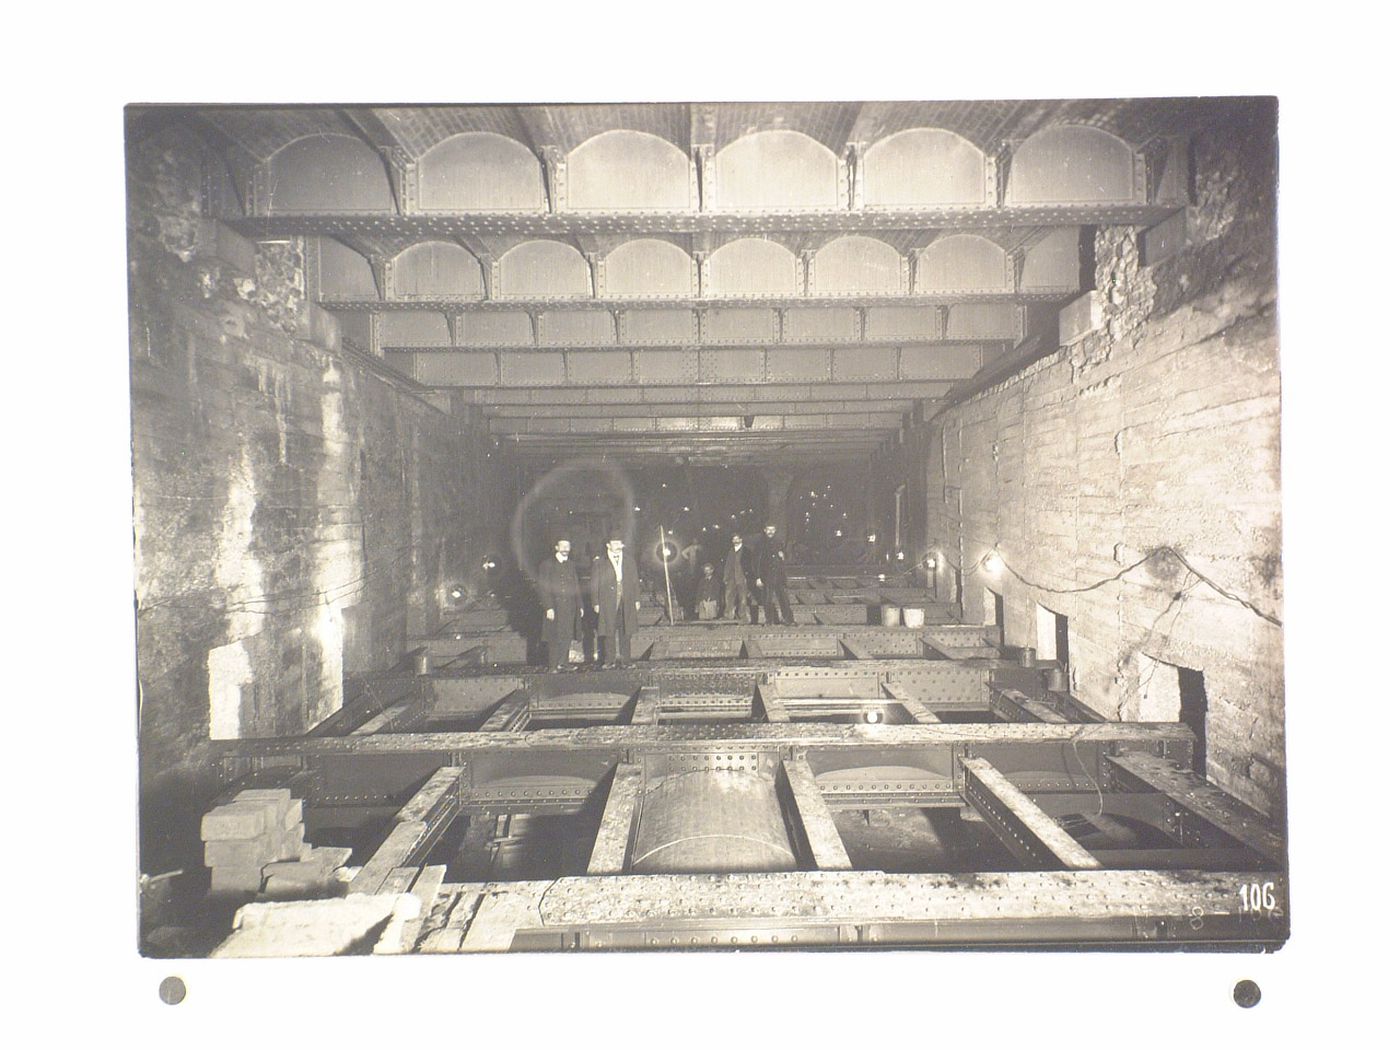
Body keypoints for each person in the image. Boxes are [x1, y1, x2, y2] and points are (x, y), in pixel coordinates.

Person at [591, 537, 642, 667]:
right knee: (609, 631)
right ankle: (609, 661)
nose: (618, 545)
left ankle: (626, 661)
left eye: (619, 543)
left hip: (626, 600)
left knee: (626, 631)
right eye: (614, 543)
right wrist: (595, 602)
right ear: (608, 545)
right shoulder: (600, 562)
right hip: (607, 601)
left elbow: (635, 581)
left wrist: (636, 599)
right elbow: (594, 584)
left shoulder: (629, 561)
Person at [536, 538, 583, 670]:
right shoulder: (546, 565)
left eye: (567, 546)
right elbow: (543, 588)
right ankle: (553, 666)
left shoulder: (571, 565)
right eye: (562, 546)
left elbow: (576, 586)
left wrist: (580, 605)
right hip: (554, 607)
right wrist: (548, 607)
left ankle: (563, 663)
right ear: (556, 548)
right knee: (554, 636)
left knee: (567, 635)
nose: (565, 549)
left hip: (569, 606)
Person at [754, 523, 795, 626]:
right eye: (768, 529)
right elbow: (756, 561)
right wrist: (758, 577)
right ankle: (769, 621)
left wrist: (783, 555)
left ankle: (788, 619)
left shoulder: (779, 542)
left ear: (775, 530)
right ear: (765, 530)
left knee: (783, 598)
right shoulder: (760, 543)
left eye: (772, 529)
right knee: (767, 599)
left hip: (779, 576)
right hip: (766, 576)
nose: (770, 531)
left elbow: (786, 556)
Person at [722, 533, 756, 623]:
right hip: (731, 578)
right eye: (734, 539)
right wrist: (726, 577)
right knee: (728, 596)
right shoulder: (730, 551)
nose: (735, 541)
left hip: (742, 577)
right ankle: (728, 615)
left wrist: (748, 577)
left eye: (737, 539)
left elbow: (750, 565)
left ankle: (742, 616)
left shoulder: (746, 551)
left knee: (743, 598)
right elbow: (727, 565)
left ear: (741, 540)